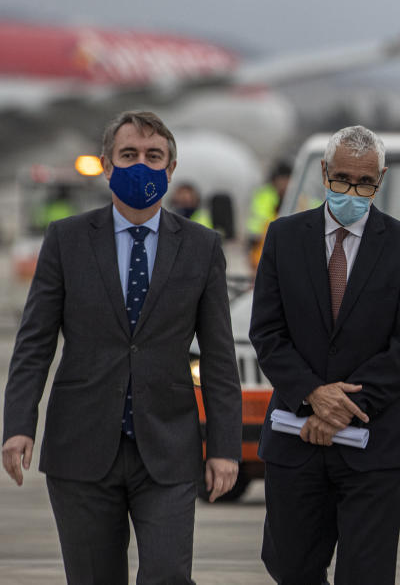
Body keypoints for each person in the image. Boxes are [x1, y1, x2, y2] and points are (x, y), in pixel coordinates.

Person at [1, 110, 242, 584]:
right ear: (106, 166)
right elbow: (34, 343)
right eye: (128, 155)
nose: (141, 166)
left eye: (154, 157)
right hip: (81, 447)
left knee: (169, 574)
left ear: (171, 170)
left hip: (168, 448)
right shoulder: (66, 240)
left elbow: (218, 356)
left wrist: (225, 447)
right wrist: (18, 424)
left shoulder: (201, 247)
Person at [249, 125, 400, 584]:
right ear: (323, 173)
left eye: (365, 183)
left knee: (366, 574)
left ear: (381, 179)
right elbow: (267, 332)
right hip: (296, 438)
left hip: (375, 443)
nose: (352, 191)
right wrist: (313, 394)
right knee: (289, 566)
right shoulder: (283, 237)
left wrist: (341, 408)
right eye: (342, 179)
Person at [246, 161, 292, 268]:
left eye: (287, 179)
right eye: (283, 179)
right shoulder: (264, 196)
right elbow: (255, 229)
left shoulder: (299, 196)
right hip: (263, 252)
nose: (285, 183)